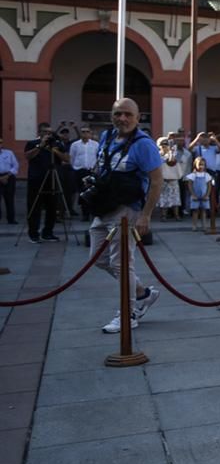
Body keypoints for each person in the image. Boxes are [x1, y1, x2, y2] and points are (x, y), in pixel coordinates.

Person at [93, 99, 164, 333]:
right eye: (117, 113)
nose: (122, 119)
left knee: (121, 262)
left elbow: (156, 181)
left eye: (127, 115)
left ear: (138, 117)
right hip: (104, 205)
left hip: (127, 209)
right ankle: (142, 293)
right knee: (99, 258)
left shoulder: (144, 144)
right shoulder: (107, 137)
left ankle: (128, 314)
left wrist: (146, 215)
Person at [24, 122, 69, 242]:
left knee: (52, 207)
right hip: (36, 180)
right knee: (34, 207)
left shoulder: (56, 144)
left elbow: (66, 158)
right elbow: (28, 156)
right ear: (39, 132)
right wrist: (41, 145)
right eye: (45, 132)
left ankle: (48, 232)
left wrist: (54, 150)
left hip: (53, 179)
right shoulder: (32, 143)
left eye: (50, 132)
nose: (48, 135)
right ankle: (33, 234)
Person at [69, 126, 100, 216]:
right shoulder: (75, 145)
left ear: (90, 133)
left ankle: (92, 212)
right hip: (79, 171)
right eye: (83, 132)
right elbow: (72, 158)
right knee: (81, 192)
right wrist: (75, 167)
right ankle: (84, 214)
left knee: (92, 191)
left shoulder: (95, 144)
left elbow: (98, 157)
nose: (85, 134)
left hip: (91, 171)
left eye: (87, 132)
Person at [184, 156, 214, 230]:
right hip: (195, 195)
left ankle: (204, 225)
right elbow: (190, 185)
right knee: (195, 211)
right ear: (195, 165)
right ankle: (194, 225)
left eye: (202, 165)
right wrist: (193, 194)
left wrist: (207, 195)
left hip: (204, 195)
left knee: (204, 211)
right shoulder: (193, 175)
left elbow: (209, 186)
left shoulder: (206, 175)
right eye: (199, 164)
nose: (201, 166)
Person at [157, 138, 183, 221]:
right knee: (163, 199)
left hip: (173, 179)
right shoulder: (158, 155)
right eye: (163, 146)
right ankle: (163, 215)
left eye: (166, 146)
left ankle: (176, 215)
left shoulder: (173, 154)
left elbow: (172, 162)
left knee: (175, 198)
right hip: (163, 180)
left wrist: (171, 152)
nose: (164, 147)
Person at [0, 136, 18, 224]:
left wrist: (6, 176)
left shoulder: (9, 153)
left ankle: (11, 219)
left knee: (10, 199)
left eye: (0, 143)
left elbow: (15, 166)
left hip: (9, 177)